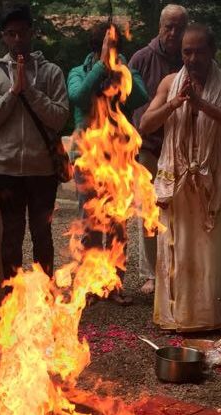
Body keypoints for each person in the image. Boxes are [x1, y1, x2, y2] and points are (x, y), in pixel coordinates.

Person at [140, 24, 221, 332]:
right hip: (173, 183)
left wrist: (204, 106)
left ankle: (206, 318)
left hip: (208, 183)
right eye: (186, 51)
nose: (192, 57)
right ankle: (173, 318)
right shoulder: (169, 83)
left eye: (199, 51)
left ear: (212, 51)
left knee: (207, 254)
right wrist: (173, 104)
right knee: (173, 250)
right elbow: (146, 124)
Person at [0, 3, 69, 282]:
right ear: (3, 36)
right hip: (5, 170)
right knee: (12, 235)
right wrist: (12, 93)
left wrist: (29, 91)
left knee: (42, 234)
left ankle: (45, 294)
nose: (18, 40)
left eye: (22, 33)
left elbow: (59, 118)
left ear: (32, 33)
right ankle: (12, 298)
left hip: (43, 170)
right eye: (11, 34)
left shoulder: (51, 72)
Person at [67, 22, 149, 305]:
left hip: (119, 158)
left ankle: (115, 284)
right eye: (105, 48)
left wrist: (119, 70)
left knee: (117, 224)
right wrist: (102, 65)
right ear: (95, 48)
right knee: (89, 224)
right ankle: (89, 286)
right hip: (87, 158)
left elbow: (141, 96)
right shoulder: (78, 72)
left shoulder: (124, 71)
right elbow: (78, 97)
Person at [129, 4, 189, 295]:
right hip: (147, 148)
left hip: (180, 149)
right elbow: (126, 103)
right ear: (160, 26)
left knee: (178, 213)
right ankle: (151, 273)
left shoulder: (189, 59)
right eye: (169, 26)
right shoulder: (141, 58)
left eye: (179, 27)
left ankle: (176, 270)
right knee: (148, 212)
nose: (173, 33)